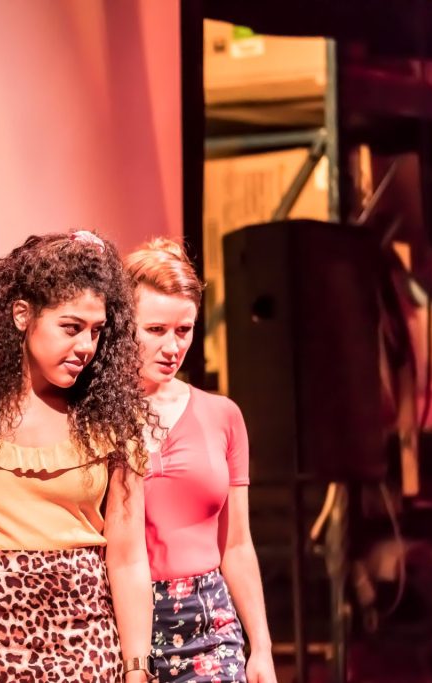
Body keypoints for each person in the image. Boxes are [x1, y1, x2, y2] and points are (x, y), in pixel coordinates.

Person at [0, 231, 154, 682]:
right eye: (71, 327)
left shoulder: (110, 418)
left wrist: (136, 668)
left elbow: (129, 556)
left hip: (82, 634)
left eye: (97, 332)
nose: (86, 347)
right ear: (23, 314)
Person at [124, 238, 276, 683]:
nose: (173, 347)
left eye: (184, 330)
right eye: (155, 330)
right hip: (119, 619)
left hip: (209, 622)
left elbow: (238, 544)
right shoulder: (95, 416)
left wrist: (261, 647)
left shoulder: (222, 415)